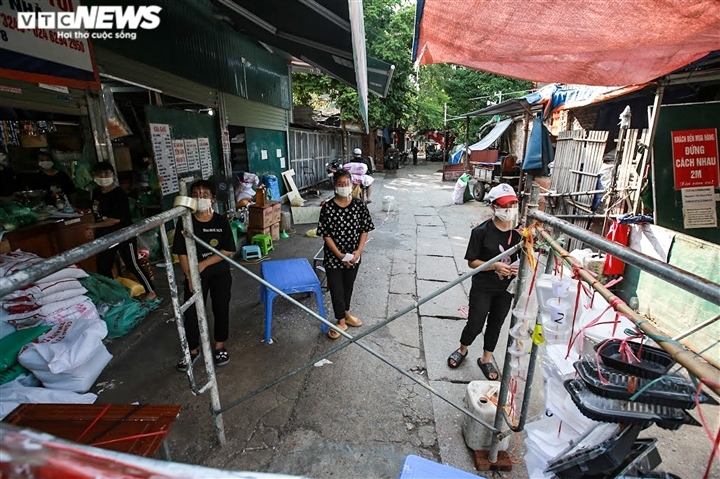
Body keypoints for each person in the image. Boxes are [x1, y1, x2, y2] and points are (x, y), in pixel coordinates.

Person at [447, 183, 522, 380]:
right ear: (493, 207)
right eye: (505, 205)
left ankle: (486, 359)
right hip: (483, 286)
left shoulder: (521, 234)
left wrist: (517, 269)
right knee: (475, 323)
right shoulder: (481, 232)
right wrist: (495, 265)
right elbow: (473, 262)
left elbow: (527, 258)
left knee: (496, 324)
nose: (509, 209)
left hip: (507, 288)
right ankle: (463, 349)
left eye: (513, 204)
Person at [173, 180, 235, 369]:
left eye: (204, 194)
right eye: (196, 194)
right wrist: (191, 276)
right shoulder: (185, 223)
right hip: (194, 275)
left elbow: (228, 250)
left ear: (213, 199)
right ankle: (192, 351)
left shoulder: (221, 221)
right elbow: (181, 252)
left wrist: (203, 264)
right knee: (190, 312)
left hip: (220, 273)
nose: (200, 198)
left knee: (220, 308)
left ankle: (219, 346)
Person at [316, 169, 374, 339]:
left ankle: (347, 315)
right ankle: (340, 321)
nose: (343, 187)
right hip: (334, 256)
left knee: (348, 286)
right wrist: (340, 255)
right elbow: (326, 235)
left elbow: (365, 230)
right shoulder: (327, 208)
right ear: (335, 186)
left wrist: (358, 252)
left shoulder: (359, 205)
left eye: (346, 183)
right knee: (336, 288)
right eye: (340, 184)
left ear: (352, 184)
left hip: (354, 255)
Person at [86, 162, 156, 300]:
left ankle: (151, 291)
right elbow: (97, 214)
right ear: (94, 176)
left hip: (123, 234)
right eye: (99, 173)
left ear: (112, 174)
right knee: (103, 267)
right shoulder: (96, 193)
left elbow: (115, 219)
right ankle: (113, 294)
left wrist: (92, 226)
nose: (103, 176)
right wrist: (93, 228)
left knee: (132, 264)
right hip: (105, 235)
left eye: (106, 173)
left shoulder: (119, 194)